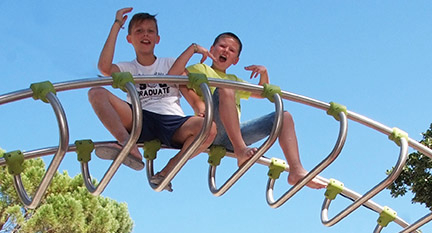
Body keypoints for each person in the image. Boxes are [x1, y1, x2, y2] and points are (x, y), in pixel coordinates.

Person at [89, 8, 215, 188]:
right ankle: (128, 146)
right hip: (139, 118)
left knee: (209, 128)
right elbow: (104, 68)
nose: (145, 35)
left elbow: (190, 95)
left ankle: (169, 169)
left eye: (150, 31)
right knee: (96, 92)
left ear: (157, 39)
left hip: (172, 120)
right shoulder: (128, 67)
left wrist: (202, 111)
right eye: (139, 31)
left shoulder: (170, 63)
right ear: (130, 39)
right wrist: (117, 25)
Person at [183, 32, 323, 189]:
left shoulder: (234, 79)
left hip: (234, 135)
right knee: (225, 88)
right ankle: (240, 150)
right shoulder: (200, 69)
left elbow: (261, 93)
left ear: (235, 60)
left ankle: (296, 170)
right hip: (212, 129)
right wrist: (195, 102)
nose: (225, 51)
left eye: (231, 50)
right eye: (222, 46)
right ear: (211, 49)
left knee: (284, 117)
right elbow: (178, 78)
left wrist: (264, 73)